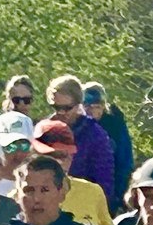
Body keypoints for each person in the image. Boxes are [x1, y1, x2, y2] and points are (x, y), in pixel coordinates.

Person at [32, 119, 112, 225]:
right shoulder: (18, 198)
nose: (58, 163)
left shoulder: (92, 192)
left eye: (64, 155)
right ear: (33, 155)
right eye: (50, 155)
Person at [46, 74, 115, 202]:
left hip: (82, 205)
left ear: (79, 104)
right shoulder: (44, 131)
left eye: (67, 108)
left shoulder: (95, 135)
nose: (61, 112)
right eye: (56, 107)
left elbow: (104, 183)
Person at [84, 82, 134, 213]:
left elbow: (125, 161)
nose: (92, 110)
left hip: (110, 191)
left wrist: (119, 195)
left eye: (97, 106)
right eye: (88, 106)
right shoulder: (77, 126)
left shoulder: (115, 126)